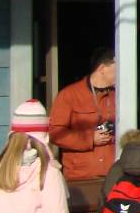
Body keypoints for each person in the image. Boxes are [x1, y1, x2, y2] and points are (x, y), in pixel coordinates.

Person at [49, 47, 118, 182]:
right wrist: (89, 139)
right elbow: (54, 133)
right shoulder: (69, 95)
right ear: (102, 68)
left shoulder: (119, 96)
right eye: (117, 68)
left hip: (113, 174)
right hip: (80, 176)